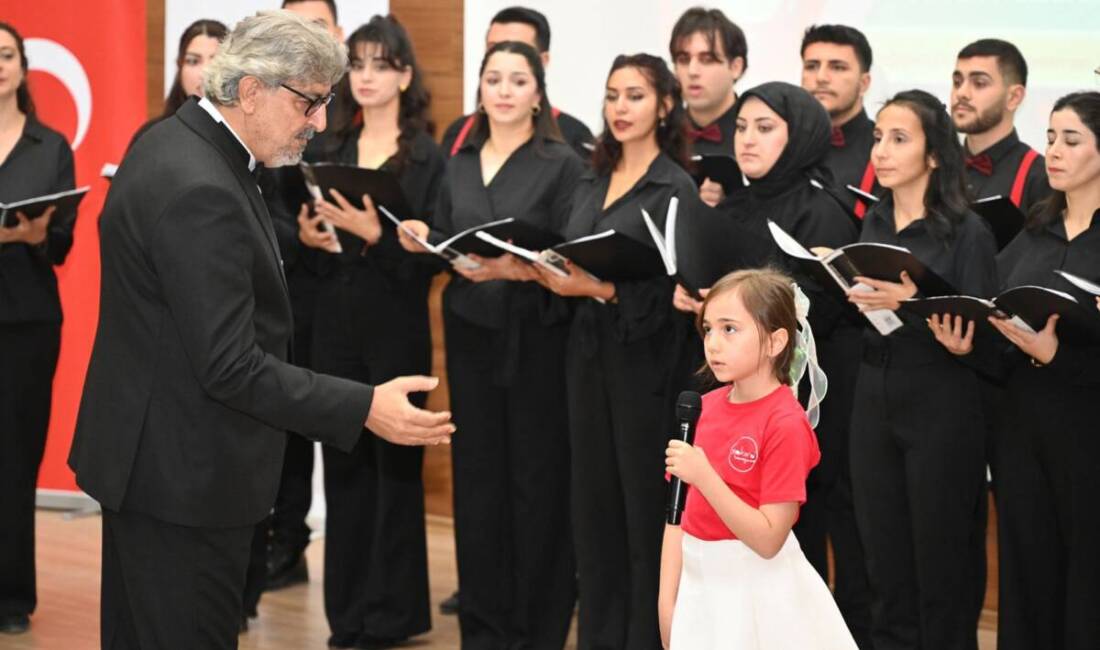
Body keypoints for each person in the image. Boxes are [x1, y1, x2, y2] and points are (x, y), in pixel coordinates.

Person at [68, 12, 454, 649]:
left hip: (153, 467)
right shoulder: (202, 186)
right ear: (251, 91)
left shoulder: (171, 144)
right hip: (183, 481)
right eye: (310, 102)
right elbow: (229, 366)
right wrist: (364, 407)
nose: (321, 122)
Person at [398, 40, 583, 649]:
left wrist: (516, 270)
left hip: (538, 338)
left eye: (517, 80)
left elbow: (569, 257)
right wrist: (426, 237)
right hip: (471, 335)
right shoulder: (459, 159)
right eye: (493, 78)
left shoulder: (562, 161)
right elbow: (449, 236)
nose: (503, 90)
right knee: (477, 484)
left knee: (535, 485)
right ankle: (483, 627)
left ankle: (537, 629)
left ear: (538, 93)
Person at [291, 15, 443, 649]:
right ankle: (346, 617)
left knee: (397, 475)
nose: (368, 76)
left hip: (397, 327)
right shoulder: (330, 147)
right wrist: (310, 237)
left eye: (382, 64)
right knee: (346, 469)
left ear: (405, 74)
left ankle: (392, 617)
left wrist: (380, 237)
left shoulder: (429, 158)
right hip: (335, 325)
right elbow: (308, 239)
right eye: (358, 64)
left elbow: (437, 257)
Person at [533, 53, 694, 650]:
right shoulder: (588, 177)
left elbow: (671, 290)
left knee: (640, 514)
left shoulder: (674, 186)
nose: (620, 108)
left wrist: (599, 287)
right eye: (612, 96)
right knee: (592, 511)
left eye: (635, 96)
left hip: (645, 364)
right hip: (586, 353)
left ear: (665, 106)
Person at [930, 90, 1100, 650]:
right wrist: (967, 345)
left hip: (1087, 433)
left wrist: (1061, 358)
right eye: (1050, 137)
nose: (1053, 150)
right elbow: (1002, 332)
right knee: (1026, 576)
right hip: (1022, 430)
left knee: (1085, 584)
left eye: (1071, 139)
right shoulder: (1034, 230)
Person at [846, 89, 997, 650]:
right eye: (878, 137)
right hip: (873, 390)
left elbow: (988, 337)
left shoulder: (967, 233)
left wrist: (947, 331)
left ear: (935, 155)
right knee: (883, 558)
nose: (881, 150)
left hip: (941, 398)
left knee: (941, 563)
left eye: (899, 139)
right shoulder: (874, 219)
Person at [660, 268, 857, 650]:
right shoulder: (703, 408)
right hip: (699, 591)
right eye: (708, 329)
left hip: (758, 594)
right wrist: (668, 604)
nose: (713, 343)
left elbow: (768, 539)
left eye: (730, 329)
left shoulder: (785, 423)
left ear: (776, 341)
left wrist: (706, 477)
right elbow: (676, 519)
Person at [258, 0, 348, 597]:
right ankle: (284, 542)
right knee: (282, 421)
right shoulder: (267, 105)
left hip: (346, 295)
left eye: (317, 26)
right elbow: (260, 205)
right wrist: (300, 236)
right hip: (284, 287)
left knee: (339, 418)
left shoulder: (350, 112)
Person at [0, 22, 77, 637]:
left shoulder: (49, 146)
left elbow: (61, 243)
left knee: (14, 457)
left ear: (24, 67)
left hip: (26, 320)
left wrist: (34, 235)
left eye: (6, 55)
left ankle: (11, 596)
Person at [440, 6, 593, 160]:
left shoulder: (573, 136)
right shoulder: (459, 132)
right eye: (493, 49)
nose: (504, 55)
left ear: (543, 61)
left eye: (517, 49)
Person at [952, 39, 1050, 218]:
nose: (961, 93)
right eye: (957, 82)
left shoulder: (1041, 177)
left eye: (979, 83)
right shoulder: (937, 167)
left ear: (1014, 97)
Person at [668, 7, 746, 207]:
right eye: (683, 59)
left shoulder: (759, 137)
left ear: (736, 67)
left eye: (707, 59)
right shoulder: (660, 136)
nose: (692, 71)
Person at [801, 24, 880, 220]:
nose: (820, 78)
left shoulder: (884, 150)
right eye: (812, 66)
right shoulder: (780, 144)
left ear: (864, 83)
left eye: (837, 67)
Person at [127, 19, 228, 150]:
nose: (205, 72)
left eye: (216, 60)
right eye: (193, 61)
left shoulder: (248, 138)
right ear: (179, 66)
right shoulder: (152, 136)